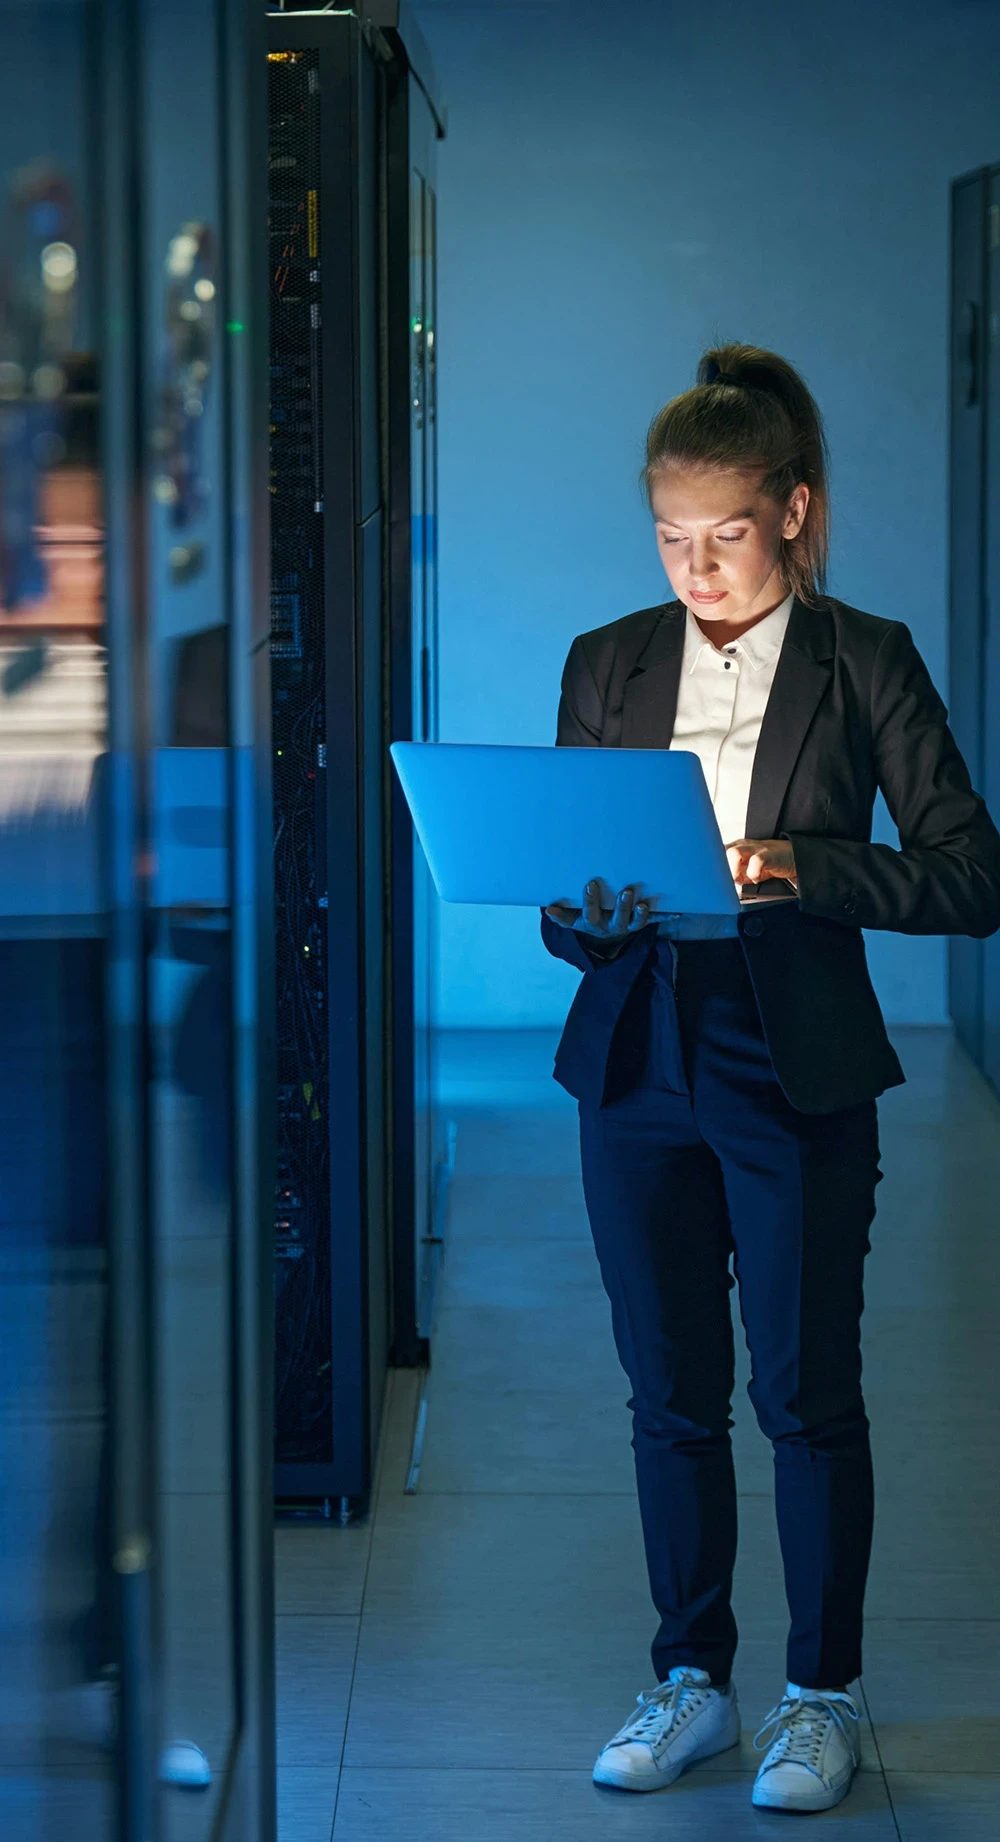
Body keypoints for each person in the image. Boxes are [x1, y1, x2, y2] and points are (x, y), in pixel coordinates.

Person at [540, 342, 1000, 1814]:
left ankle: (821, 1695)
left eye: (725, 536)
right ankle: (690, 1678)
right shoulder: (607, 658)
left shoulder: (866, 657)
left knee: (804, 1389)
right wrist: (585, 908)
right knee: (666, 1389)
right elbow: (563, 886)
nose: (697, 568)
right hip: (632, 1047)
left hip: (788, 1053)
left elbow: (969, 872)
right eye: (671, 541)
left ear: (792, 509)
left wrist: (808, 863)